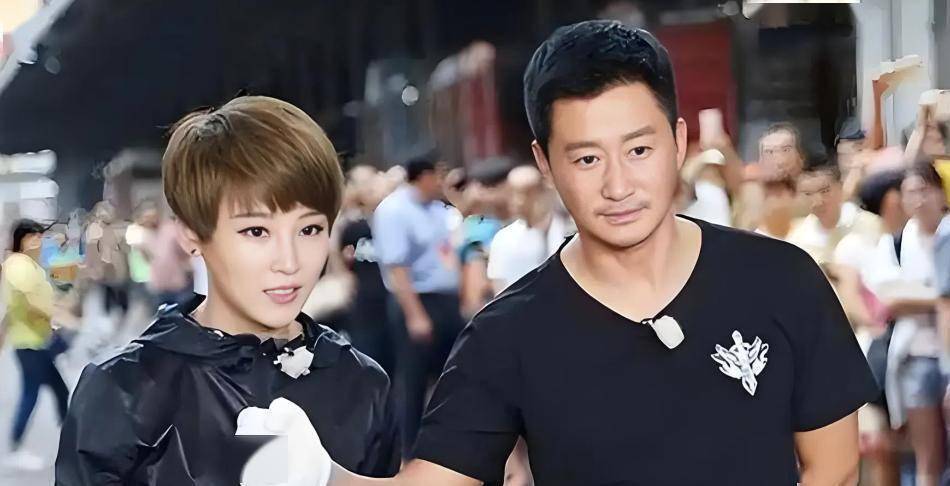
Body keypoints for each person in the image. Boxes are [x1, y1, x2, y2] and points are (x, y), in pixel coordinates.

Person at [260, 21, 879, 486]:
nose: (618, 185)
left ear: (678, 140)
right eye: (586, 158)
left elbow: (835, 464)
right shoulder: (508, 334)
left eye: (639, 150)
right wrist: (314, 470)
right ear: (545, 163)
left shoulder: (779, 279)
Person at [54, 96, 399, 485]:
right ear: (192, 234)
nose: (289, 261)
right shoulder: (123, 391)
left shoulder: (362, 383)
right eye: (256, 231)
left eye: (309, 229)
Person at [860, 162, 948, 486]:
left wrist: (918, 295)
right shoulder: (895, 244)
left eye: (925, 189)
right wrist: (941, 297)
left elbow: (903, 296)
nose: (919, 199)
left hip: (945, 357)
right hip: (914, 358)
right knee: (926, 459)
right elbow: (889, 299)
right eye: (911, 192)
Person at [371, 156, 464, 453]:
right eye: (438, 175)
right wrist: (415, 315)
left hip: (446, 299)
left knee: (454, 373)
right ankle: (408, 451)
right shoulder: (394, 210)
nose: (441, 182)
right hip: (415, 299)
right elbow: (397, 266)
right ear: (423, 176)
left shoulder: (438, 210)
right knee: (413, 378)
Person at [0, 219, 70, 471]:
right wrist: (59, 316)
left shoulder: (25, 264)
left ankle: (70, 439)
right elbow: (28, 301)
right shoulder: (19, 265)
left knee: (60, 391)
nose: (38, 242)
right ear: (20, 239)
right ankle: (16, 445)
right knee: (31, 394)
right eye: (33, 237)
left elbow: (15, 306)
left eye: (40, 237)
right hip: (29, 342)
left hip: (36, 340)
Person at [787, 154, 882, 267]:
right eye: (808, 194)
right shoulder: (797, 237)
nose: (818, 202)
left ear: (840, 187)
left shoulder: (872, 225)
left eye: (825, 191)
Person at [487, 165, 565, 293]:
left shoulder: (564, 232)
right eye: (511, 193)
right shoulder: (504, 238)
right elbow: (499, 288)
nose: (514, 200)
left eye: (520, 193)